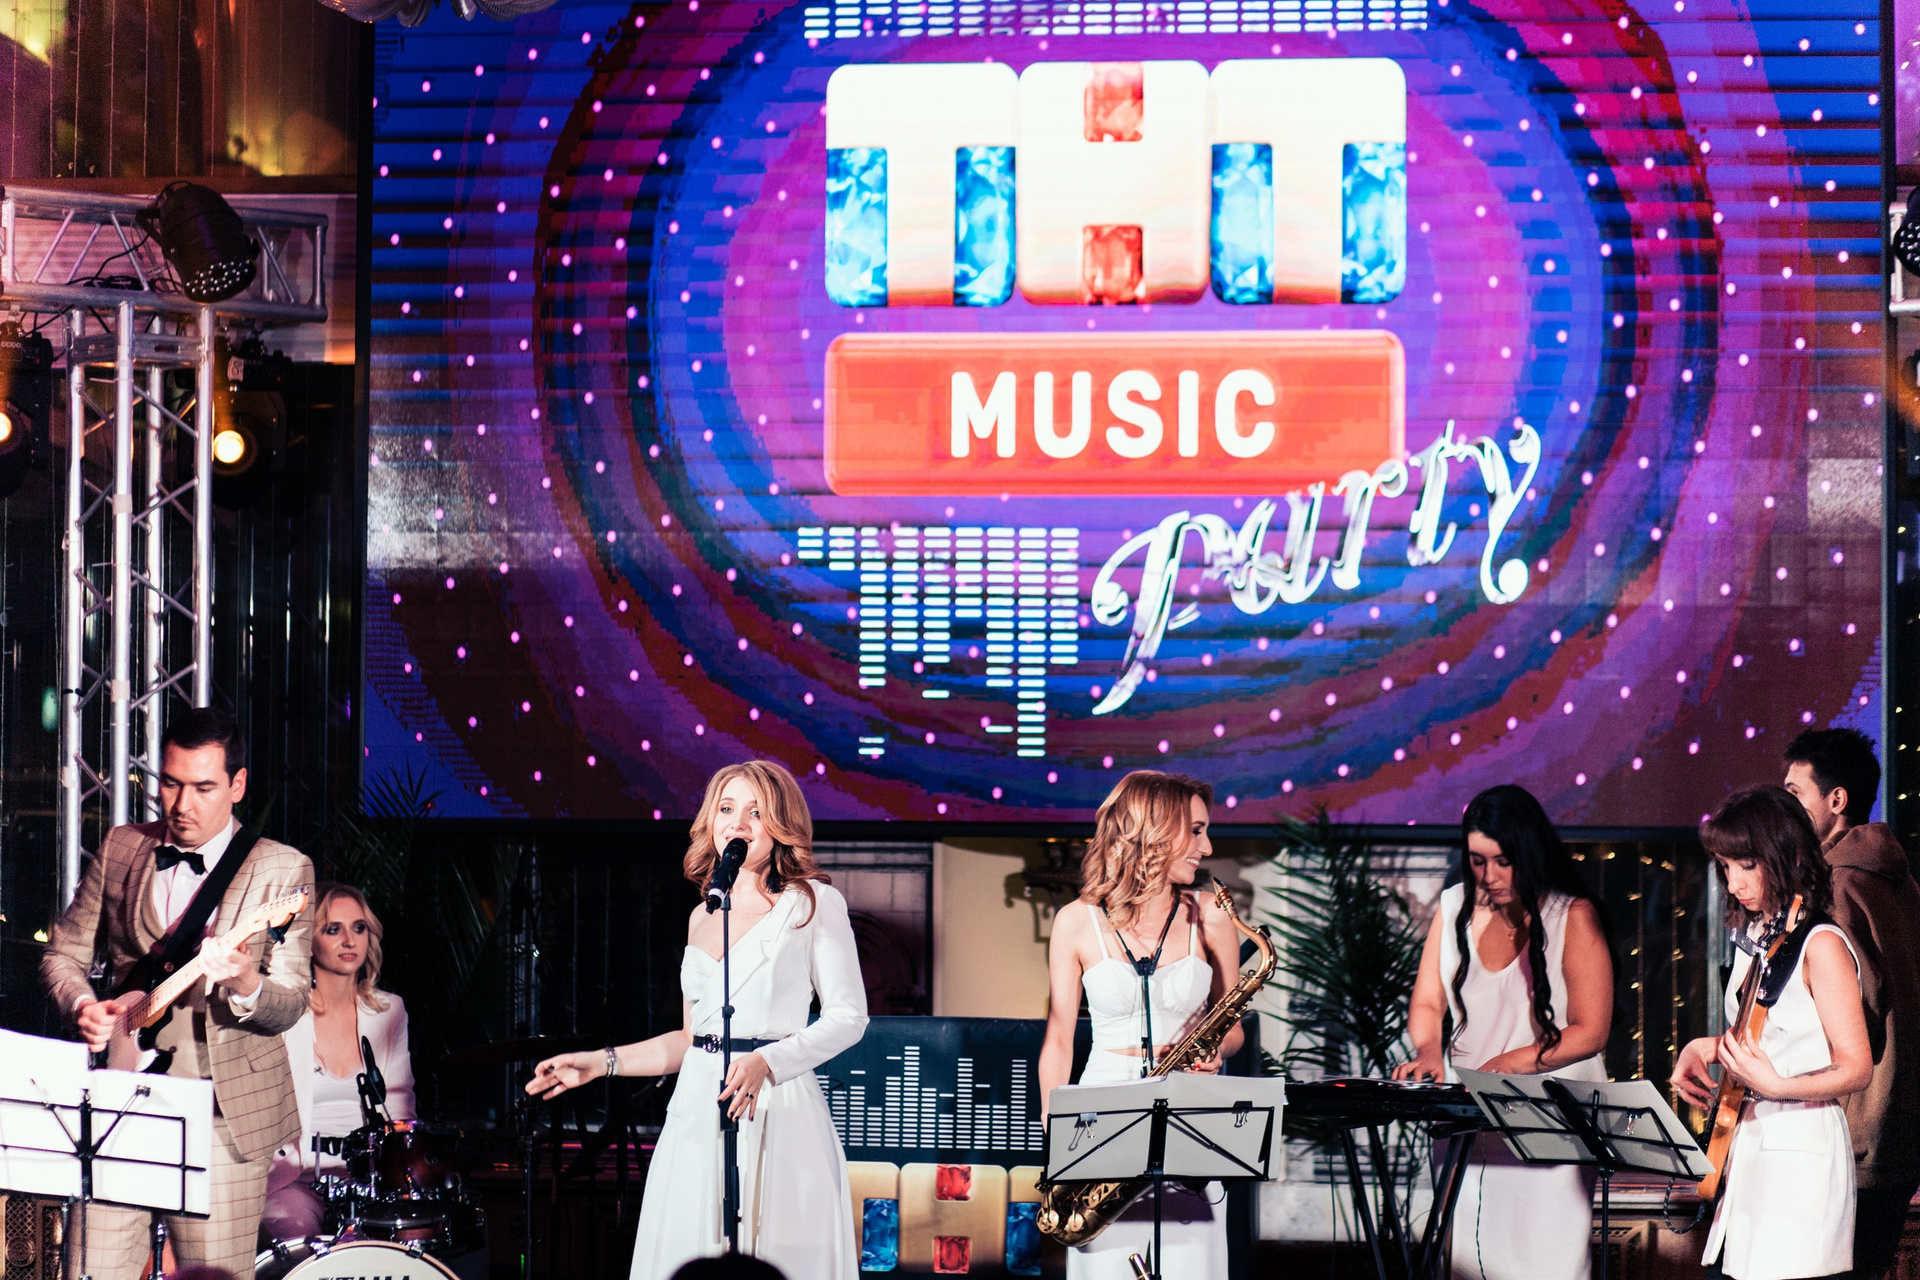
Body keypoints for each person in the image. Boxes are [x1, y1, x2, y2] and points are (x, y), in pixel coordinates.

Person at [526, 761, 868, 1280]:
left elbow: (849, 1016)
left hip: (776, 1105)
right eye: (727, 809)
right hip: (697, 1109)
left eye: (757, 812)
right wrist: (599, 1063)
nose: (738, 823)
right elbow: (692, 1038)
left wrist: (769, 1062)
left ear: (781, 824)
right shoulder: (703, 913)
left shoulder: (813, 903)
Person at [40, 706, 314, 1280]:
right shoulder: (123, 847)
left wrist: (244, 981)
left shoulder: (282, 869)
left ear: (237, 785)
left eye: (203, 787)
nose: (182, 805)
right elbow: (62, 955)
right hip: (120, 1104)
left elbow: (289, 1001)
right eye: (170, 783)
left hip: (223, 1117)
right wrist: (83, 1006)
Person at [1393, 784, 1613, 1280]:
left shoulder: (1571, 915)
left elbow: (1591, 1031)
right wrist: (1428, 1051)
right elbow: (1427, 1001)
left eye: (1502, 861)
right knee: (1467, 1265)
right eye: (1477, 861)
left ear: (1528, 852)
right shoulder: (1454, 906)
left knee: (1546, 1266)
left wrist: (1509, 1064)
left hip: (1550, 1130)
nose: (1488, 875)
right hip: (1469, 1125)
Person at [1036, 770, 1246, 1280]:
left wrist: (1217, 1052)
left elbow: (1233, 1029)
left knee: (1193, 1265)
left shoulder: (1212, 916)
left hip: (1189, 1108)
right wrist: (1055, 1139)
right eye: (1195, 830)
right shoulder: (1075, 921)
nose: (1207, 846)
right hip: (1101, 1114)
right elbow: (1059, 1038)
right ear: (1153, 829)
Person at [1673, 785, 1873, 1280]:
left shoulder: (1821, 943)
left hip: (1802, 1141)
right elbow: (1770, 1038)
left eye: (1747, 865)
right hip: (1749, 1137)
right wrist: (1706, 1047)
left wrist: (1778, 1085)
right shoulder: (1757, 936)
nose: (1734, 882)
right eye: (1725, 867)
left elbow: (1857, 1066)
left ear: (1790, 856)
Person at [1781, 728, 1920, 1280]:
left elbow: (1846, 1013)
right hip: (1898, 1127)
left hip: (1852, 1132)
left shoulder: (1837, 885)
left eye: (1795, 793)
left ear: (1836, 799)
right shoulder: (1900, 881)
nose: (1785, 808)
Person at [261, 882, 417, 1241]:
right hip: (295, 1180)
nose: (349, 940)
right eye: (333, 929)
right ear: (308, 940)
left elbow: (400, 1109)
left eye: (358, 928)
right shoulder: (286, 1014)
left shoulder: (389, 1011)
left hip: (369, 1182)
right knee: (298, 1238)